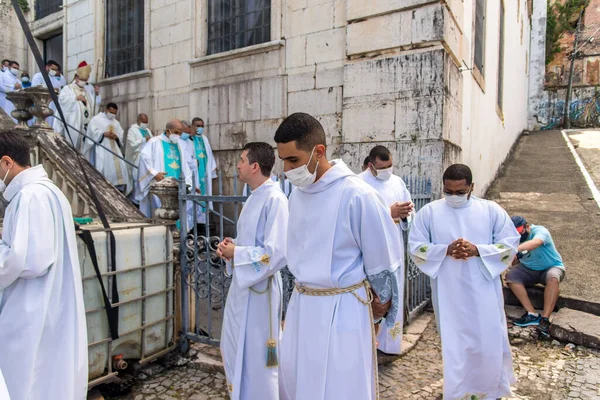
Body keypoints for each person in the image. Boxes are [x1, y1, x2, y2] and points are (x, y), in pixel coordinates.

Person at [275, 113, 404, 400]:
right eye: (283, 160)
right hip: (302, 306)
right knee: (298, 381)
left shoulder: (358, 195)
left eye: (293, 160)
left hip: (344, 309)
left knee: (340, 386)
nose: (286, 169)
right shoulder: (297, 194)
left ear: (318, 151)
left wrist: (377, 312)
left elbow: (382, 261)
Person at [408, 164, 520, 400]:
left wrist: (477, 250)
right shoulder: (429, 212)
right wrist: (445, 250)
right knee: (455, 345)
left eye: (460, 192)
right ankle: (458, 393)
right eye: (449, 192)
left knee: (487, 340)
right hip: (449, 292)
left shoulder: (490, 210)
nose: (454, 197)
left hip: (484, 290)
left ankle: (490, 391)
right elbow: (416, 247)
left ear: (471, 187)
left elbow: (510, 244)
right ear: (443, 187)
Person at [0, 132, 87, 400]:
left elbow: (29, 260)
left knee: (29, 380)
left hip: (32, 308)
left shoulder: (31, 196)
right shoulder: (49, 191)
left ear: (6, 162)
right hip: (50, 305)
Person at [217, 142, 289, 400]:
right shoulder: (253, 197)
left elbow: (277, 252)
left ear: (255, 166)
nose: (237, 165)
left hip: (262, 292)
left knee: (260, 355)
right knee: (236, 344)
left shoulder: (275, 199)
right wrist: (232, 247)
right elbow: (251, 244)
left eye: (242, 160)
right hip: (243, 287)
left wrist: (236, 253)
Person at [359, 145, 413, 354]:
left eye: (390, 166)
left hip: (395, 245)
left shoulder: (397, 182)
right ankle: (367, 344)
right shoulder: (358, 183)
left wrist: (406, 213)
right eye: (383, 167)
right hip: (372, 248)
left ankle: (389, 344)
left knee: (393, 291)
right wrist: (388, 212)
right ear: (371, 166)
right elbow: (358, 217)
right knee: (373, 295)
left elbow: (410, 209)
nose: (388, 171)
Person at [506, 216, 565, 338]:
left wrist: (515, 249)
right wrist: (514, 259)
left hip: (551, 266)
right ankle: (531, 314)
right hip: (530, 269)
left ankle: (545, 318)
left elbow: (536, 242)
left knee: (553, 277)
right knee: (511, 276)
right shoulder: (513, 238)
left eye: (520, 232)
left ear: (527, 226)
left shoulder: (540, 231)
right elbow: (513, 262)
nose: (518, 236)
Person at [136, 118, 193, 217]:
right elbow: (144, 159)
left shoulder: (179, 145)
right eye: (176, 132)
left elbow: (185, 166)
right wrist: (154, 174)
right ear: (168, 131)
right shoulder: (154, 142)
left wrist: (187, 183)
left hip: (176, 187)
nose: (178, 136)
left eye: (180, 133)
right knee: (159, 215)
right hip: (159, 185)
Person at [86, 103, 130, 192]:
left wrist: (116, 136)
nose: (112, 115)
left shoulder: (116, 123)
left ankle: (119, 189)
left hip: (115, 149)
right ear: (106, 110)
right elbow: (91, 133)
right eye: (111, 112)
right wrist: (103, 134)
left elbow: (120, 135)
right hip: (102, 147)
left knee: (121, 168)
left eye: (114, 113)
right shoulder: (96, 120)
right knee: (104, 167)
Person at [53, 61, 96, 151]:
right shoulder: (68, 89)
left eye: (85, 80)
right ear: (76, 77)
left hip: (85, 129)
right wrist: (75, 98)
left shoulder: (88, 93)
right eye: (82, 79)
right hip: (72, 125)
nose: (83, 82)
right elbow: (62, 101)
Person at [126, 113, 152, 200]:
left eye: (146, 122)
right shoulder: (132, 130)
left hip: (147, 159)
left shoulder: (148, 130)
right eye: (144, 122)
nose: (145, 124)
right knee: (137, 178)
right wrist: (144, 140)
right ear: (138, 120)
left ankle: (143, 198)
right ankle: (135, 199)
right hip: (137, 158)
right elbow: (131, 143)